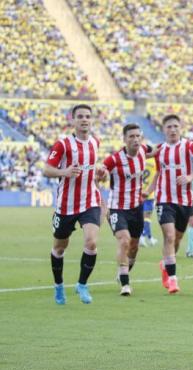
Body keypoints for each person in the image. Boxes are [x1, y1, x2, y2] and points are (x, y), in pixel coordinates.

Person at [144, 114, 193, 294]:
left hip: (185, 201)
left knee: (177, 239)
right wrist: (148, 191)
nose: (172, 130)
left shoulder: (190, 146)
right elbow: (158, 172)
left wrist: (190, 177)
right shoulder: (159, 150)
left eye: (175, 126)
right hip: (165, 200)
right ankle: (173, 280)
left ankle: (165, 263)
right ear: (163, 129)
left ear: (180, 128)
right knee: (170, 236)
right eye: (169, 127)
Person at [43, 104, 103, 305]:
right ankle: (58, 286)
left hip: (90, 201)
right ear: (73, 120)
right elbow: (47, 169)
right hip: (66, 205)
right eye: (80, 116)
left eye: (87, 116)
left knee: (92, 242)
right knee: (59, 248)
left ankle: (82, 284)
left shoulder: (96, 142)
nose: (84, 119)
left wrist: (101, 173)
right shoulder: (63, 145)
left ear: (91, 119)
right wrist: (64, 172)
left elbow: (93, 170)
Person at [101, 124, 151, 296]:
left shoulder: (144, 151)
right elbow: (98, 174)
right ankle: (125, 283)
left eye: (138, 136)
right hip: (117, 208)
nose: (135, 139)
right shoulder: (114, 159)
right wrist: (103, 204)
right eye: (131, 136)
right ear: (124, 139)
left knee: (134, 247)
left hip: (136, 208)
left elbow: (160, 151)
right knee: (124, 241)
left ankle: (122, 272)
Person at [139, 152, 158, 247]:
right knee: (147, 217)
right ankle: (142, 237)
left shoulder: (141, 160)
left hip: (139, 192)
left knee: (144, 217)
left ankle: (150, 238)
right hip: (149, 193)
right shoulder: (154, 162)